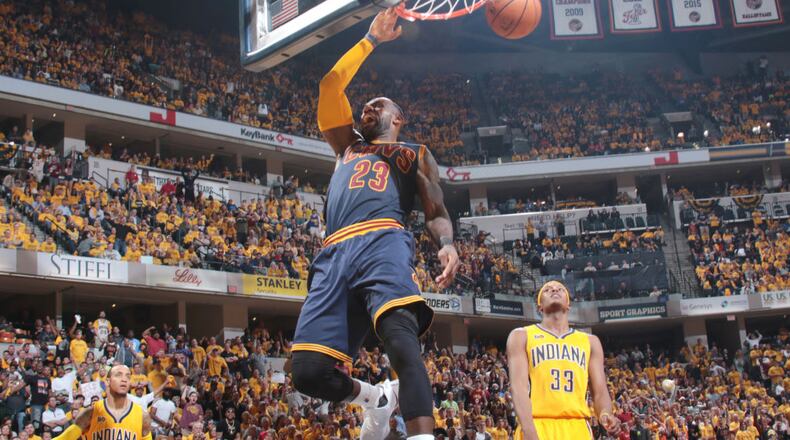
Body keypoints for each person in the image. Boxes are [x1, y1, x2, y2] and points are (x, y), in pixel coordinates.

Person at [290, 8, 460, 440]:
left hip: (382, 239)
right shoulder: (344, 144)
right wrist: (370, 40)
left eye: (379, 104)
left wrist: (447, 244)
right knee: (307, 373)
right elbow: (330, 84)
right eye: (366, 104)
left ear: (397, 119)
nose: (368, 106)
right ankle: (374, 399)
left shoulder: (412, 153)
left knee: (400, 337)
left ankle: (422, 434)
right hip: (333, 252)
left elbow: (436, 211)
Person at [508, 281, 620, 439]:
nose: (554, 289)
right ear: (539, 305)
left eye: (560, 289)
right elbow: (518, 387)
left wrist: (605, 414)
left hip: (578, 425)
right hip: (538, 422)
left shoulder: (590, 341)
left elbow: (600, 391)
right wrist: (528, 428)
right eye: (547, 290)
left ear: (568, 304)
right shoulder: (522, 335)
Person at [52, 365, 152, 440]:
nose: (124, 379)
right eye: (118, 375)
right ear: (108, 381)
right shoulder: (91, 412)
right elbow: (65, 438)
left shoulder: (142, 416)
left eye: (127, 376)